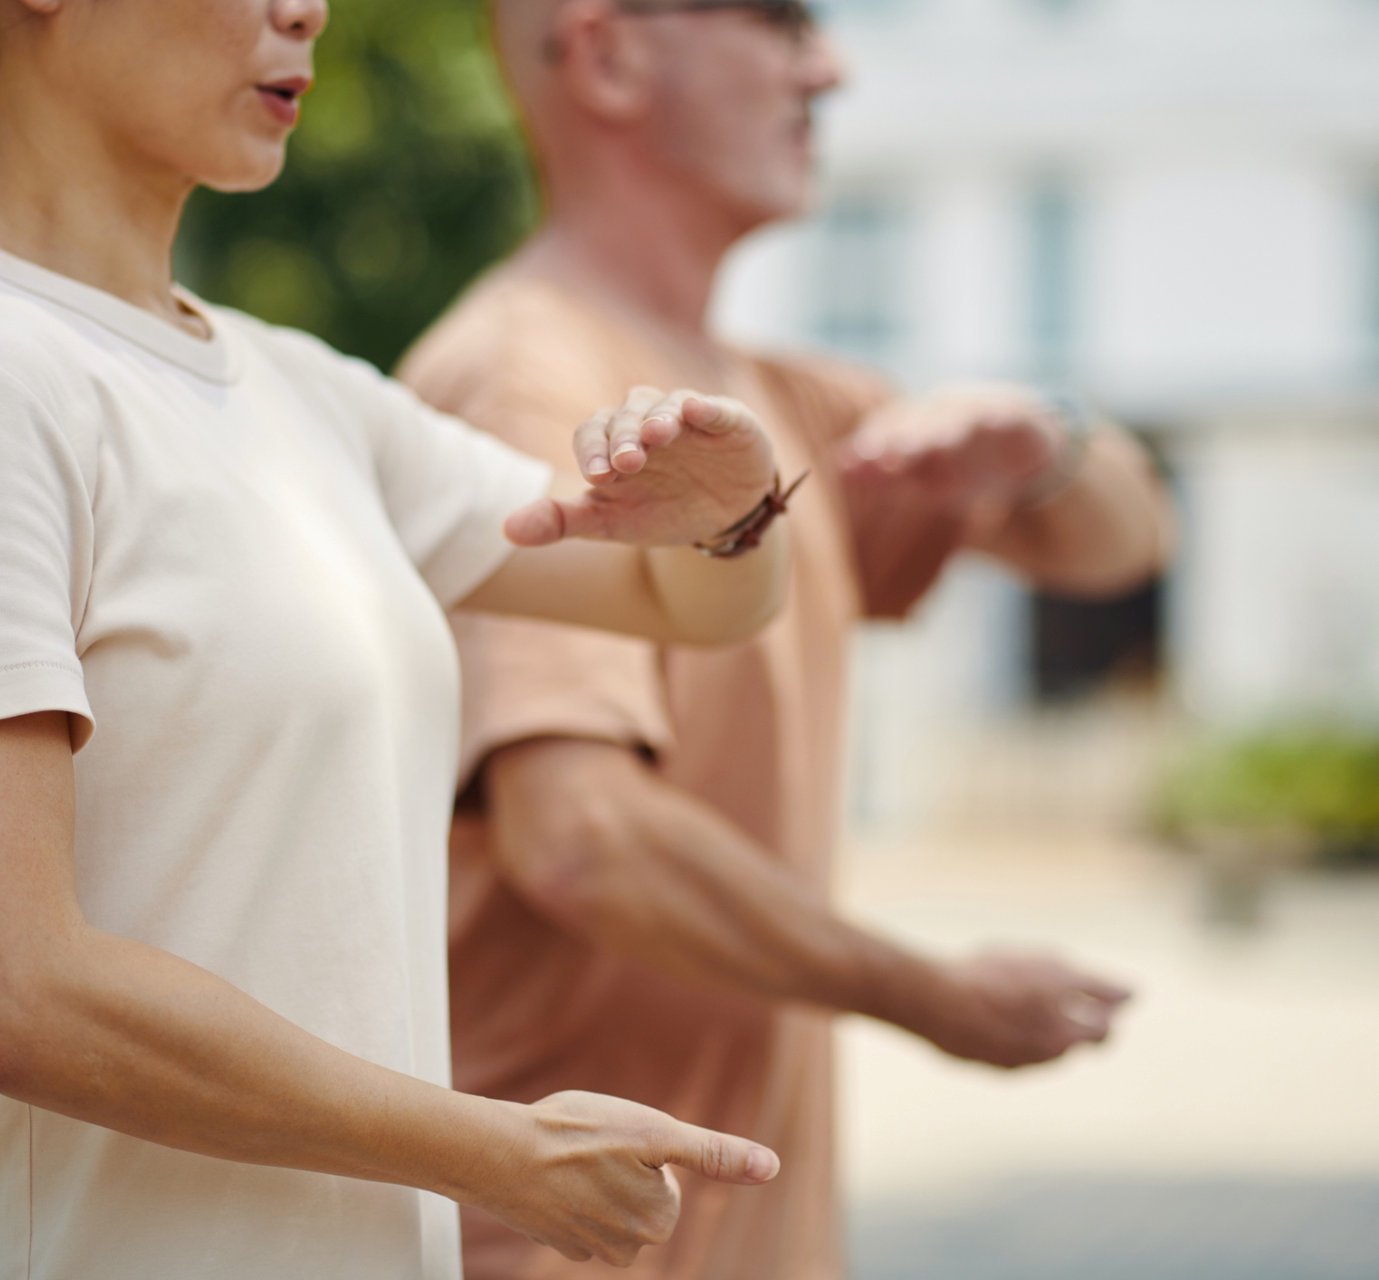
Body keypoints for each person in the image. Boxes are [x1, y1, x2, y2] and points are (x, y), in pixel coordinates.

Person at [0, 0, 807, 1276]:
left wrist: (731, 517)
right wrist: (495, 1152)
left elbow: (680, 601)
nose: (306, 9)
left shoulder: (299, 394)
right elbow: (6, 989)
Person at [396, 1, 1177, 1276]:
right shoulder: (526, 381)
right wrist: (940, 995)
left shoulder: (776, 400)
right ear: (607, 53)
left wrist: (1050, 442)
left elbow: (1123, 545)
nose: (830, 65)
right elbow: (583, 838)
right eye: (781, 19)